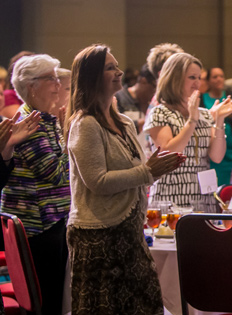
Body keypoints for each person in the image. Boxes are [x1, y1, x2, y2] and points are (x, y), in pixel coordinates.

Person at [65, 44, 184, 314]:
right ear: (91, 76)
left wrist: (156, 170)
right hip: (98, 236)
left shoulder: (125, 123)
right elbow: (97, 181)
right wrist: (148, 172)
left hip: (130, 233)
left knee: (147, 305)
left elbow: (137, 173)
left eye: (117, 66)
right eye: (110, 68)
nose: (119, 72)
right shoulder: (85, 124)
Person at [1, 54, 72, 314]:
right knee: (48, 302)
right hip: (40, 227)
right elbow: (55, 174)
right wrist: (69, 141)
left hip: (53, 222)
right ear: (31, 86)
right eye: (50, 79)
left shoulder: (46, 119)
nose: (57, 84)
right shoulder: (29, 124)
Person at [144, 52, 232, 211]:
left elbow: (216, 156)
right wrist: (192, 121)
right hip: (170, 196)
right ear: (175, 78)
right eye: (191, 77)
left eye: (199, 78)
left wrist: (220, 120)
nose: (197, 83)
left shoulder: (203, 113)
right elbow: (168, 153)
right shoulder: (160, 112)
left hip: (202, 198)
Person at [200, 67, 232, 186]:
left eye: (221, 76)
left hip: (230, 142)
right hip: (211, 139)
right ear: (208, 80)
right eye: (215, 77)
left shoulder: (230, 95)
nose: (219, 79)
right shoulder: (201, 97)